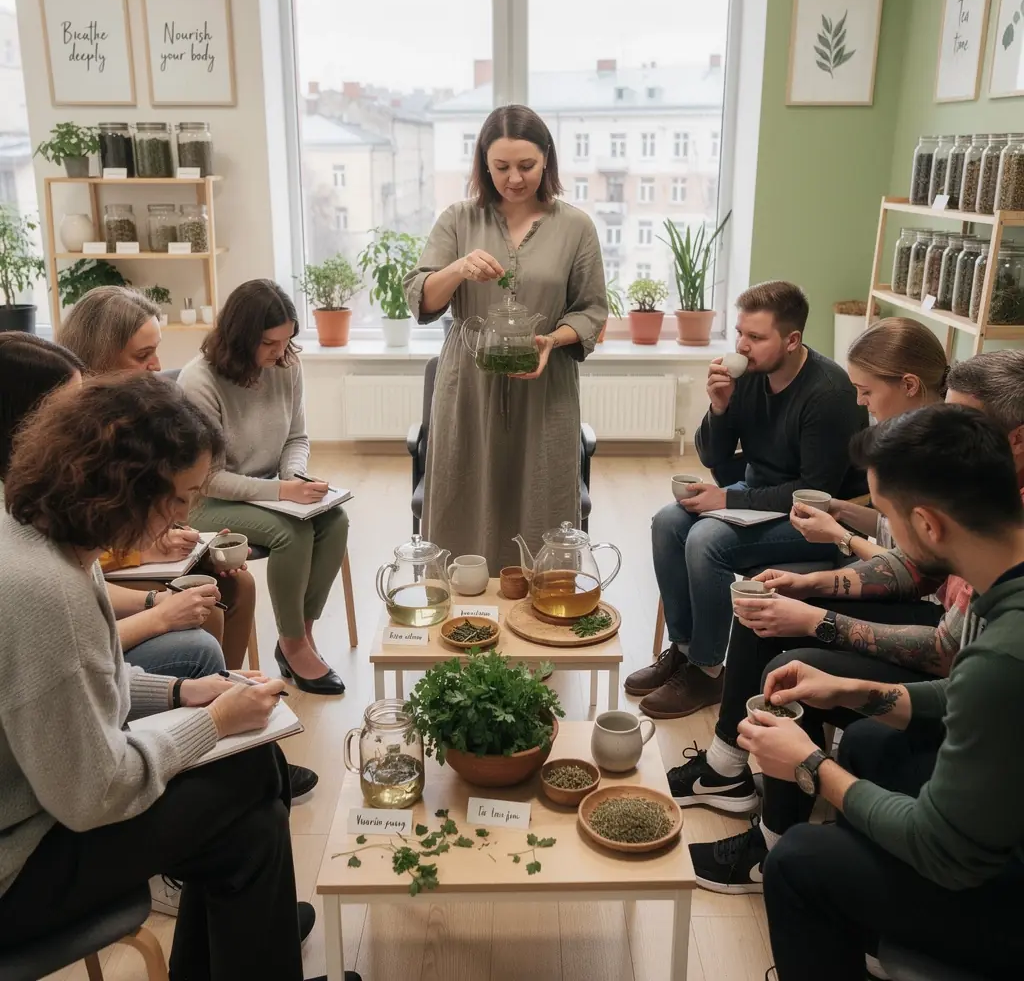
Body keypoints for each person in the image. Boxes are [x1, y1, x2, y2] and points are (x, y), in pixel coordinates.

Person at [0, 373, 359, 981]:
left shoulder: (49, 537)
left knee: (250, 826)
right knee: (249, 782)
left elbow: (78, 687)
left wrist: (178, 691)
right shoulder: (44, 591)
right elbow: (95, 793)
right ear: (129, 488)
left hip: (40, 812)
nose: (189, 513)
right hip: (20, 870)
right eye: (183, 496)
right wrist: (210, 722)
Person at [682, 347, 1024, 899]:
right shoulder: (974, 504)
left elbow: (949, 650)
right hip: (952, 665)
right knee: (780, 627)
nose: (858, 400)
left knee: (793, 653)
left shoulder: (981, 530)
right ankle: (734, 775)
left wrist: (814, 762)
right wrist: (811, 586)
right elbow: (916, 573)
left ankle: (778, 844)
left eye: (965, 424)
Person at [746, 404, 1024, 981]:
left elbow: (942, 847)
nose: (883, 535)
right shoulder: (1003, 593)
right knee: (872, 741)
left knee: (799, 861)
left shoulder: (1002, 653)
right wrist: (852, 689)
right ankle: (869, 930)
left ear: (928, 525)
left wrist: (809, 765)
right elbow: (965, 702)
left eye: (887, 518)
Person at [625, 281, 868, 718]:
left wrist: (727, 499)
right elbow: (714, 457)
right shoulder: (748, 377)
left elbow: (816, 493)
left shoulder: (830, 395)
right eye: (740, 333)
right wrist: (718, 407)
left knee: (706, 539)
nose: (742, 345)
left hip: (818, 523)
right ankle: (683, 650)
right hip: (756, 501)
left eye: (755, 337)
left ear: (792, 341)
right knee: (668, 522)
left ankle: (708, 671)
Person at [403, 104, 607, 573]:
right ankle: (460, 620)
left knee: (543, 503)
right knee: (462, 499)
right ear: (483, 163)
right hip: (467, 391)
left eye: (527, 166)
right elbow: (421, 296)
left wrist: (551, 341)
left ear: (547, 160)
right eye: (501, 167)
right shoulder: (457, 219)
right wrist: (457, 268)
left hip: (546, 389)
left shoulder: (575, 227)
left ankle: (539, 621)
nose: (514, 179)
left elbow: (592, 310)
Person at [58, 286, 257, 671]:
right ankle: (206, 704)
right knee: (209, 612)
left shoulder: (139, 417)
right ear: (99, 359)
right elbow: (71, 558)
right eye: (142, 355)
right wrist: (145, 551)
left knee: (239, 585)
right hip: (110, 575)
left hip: (136, 563)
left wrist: (181, 539)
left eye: (156, 350)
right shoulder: (75, 441)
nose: (157, 365)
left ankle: (227, 698)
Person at [178, 279, 349, 695]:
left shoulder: (286, 365)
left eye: (288, 340)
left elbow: (297, 437)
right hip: (206, 501)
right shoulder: (198, 381)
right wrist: (281, 493)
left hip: (268, 489)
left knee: (335, 521)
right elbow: (208, 478)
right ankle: (293, 645)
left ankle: (299, 636)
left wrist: (292, 477)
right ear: (240, 339)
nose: (281, 353)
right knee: (292, 531)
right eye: (271, 343)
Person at [788, 317, 949, 560]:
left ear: (909, 385)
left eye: (866, 391)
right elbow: (894, 531)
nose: (860, 402)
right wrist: (840, 509)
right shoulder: (913, 440)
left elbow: (917, 569)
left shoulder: (943, 457)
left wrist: (840, 536)